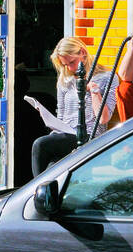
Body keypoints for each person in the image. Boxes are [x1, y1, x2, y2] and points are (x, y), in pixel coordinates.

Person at [31, 37, 118, 177]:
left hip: (91, 136)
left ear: (82, 52)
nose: (70, 68)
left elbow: (103, 119)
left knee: (40, 144)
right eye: (65, 65)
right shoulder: (65, 80)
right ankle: (42, 196)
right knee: (51, 167)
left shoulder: (107, 77)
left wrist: (94, 92)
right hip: (67, 135)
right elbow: (61, 116)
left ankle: (34, 193)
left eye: (72, 62)